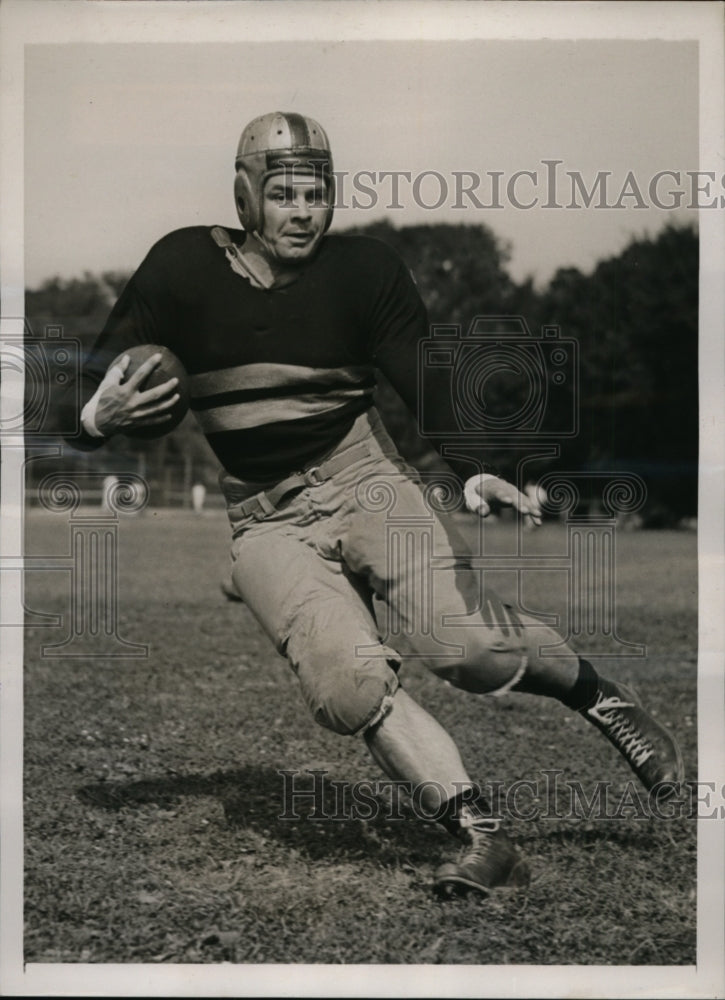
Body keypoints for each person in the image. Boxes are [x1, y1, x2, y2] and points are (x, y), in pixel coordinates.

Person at [65, 111, 683, 897]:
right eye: (283, 193)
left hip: (364, 478)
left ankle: (599, 697)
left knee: (469, 649)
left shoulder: (365, 271)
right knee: (346, 684)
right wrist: (95, 418)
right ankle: (484, 840)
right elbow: (81, 395)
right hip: (263, 516)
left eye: (316, 193)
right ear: (245, 195)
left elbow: (421, 378)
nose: (302, 212)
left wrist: (474, 467)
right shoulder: (178, 268)